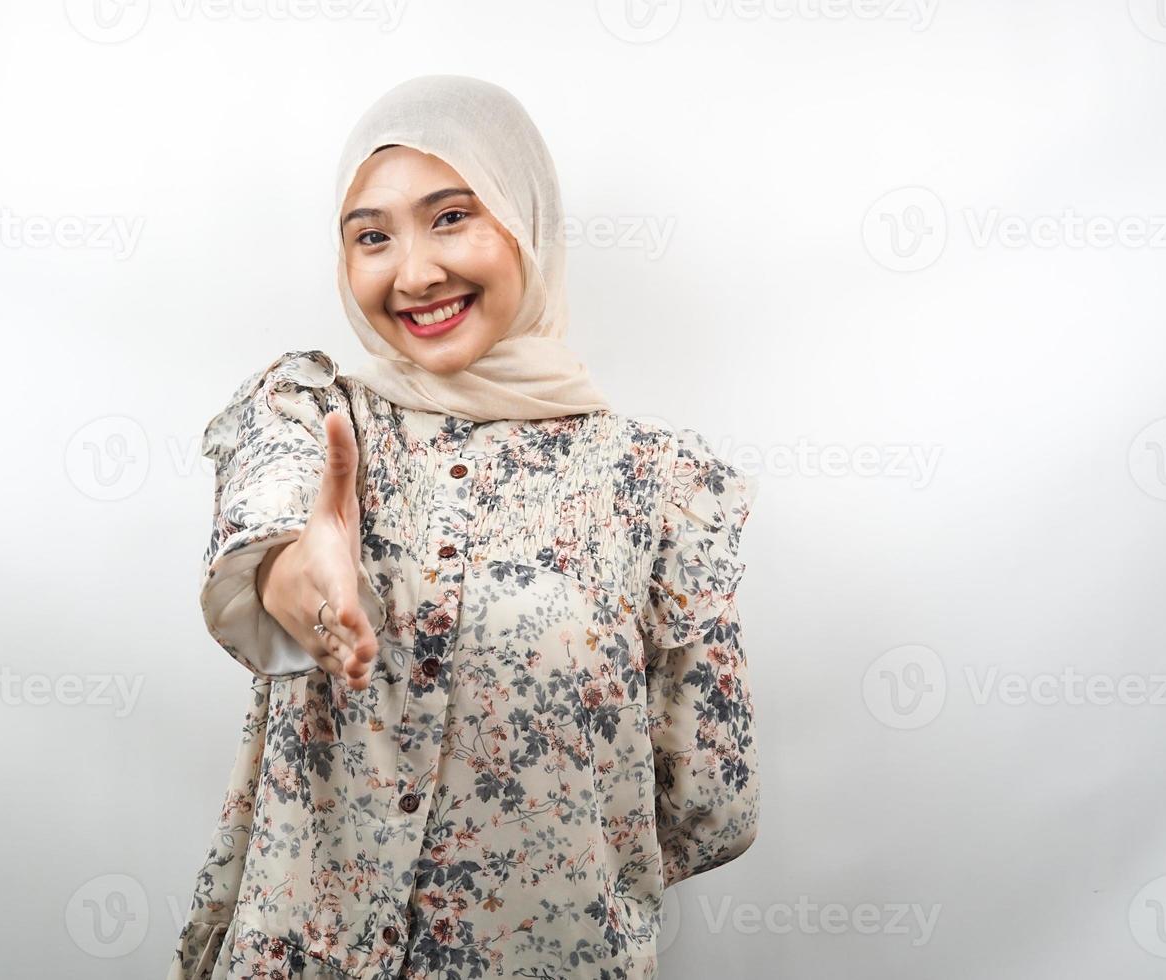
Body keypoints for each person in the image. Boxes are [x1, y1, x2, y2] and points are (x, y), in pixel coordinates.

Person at [166, 74, 761, 980]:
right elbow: (269, 556)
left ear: (527, 221)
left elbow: (706, 802)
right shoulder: (315, 418)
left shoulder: (660, 486)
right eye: (372, 236)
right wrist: (304, 580)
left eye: (451, 218)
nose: (415, 274)